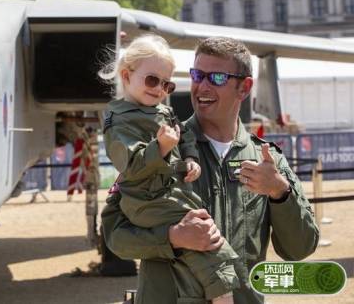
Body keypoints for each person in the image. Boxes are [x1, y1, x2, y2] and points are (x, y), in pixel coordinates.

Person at [101, 36, 319, 304]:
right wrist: (172, 237)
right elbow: (115, 235)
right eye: (197, 75)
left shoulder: (267, 160)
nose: (201, 86)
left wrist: (279, 191)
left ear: (244, 87)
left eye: (215, 78)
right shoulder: (157, 145)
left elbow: (300, 248)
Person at [100, 34, 238, 303]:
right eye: (152, 80)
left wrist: (190, 159)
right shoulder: (119, 121)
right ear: (127, 76)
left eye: (167, 84)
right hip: (151, 201)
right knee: (212, 250)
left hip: (173, 197)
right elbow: (131, 167)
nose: (159, 89)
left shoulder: (162, 112)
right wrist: (161, 147)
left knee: (212, 251)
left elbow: (183, 134)